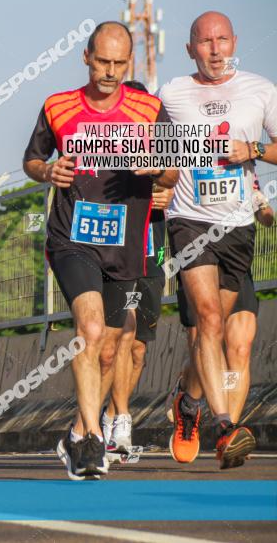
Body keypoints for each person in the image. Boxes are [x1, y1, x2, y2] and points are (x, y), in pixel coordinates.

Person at [22, 22, 178, 479]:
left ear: (128, 62)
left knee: (111, 351)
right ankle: (91, 440)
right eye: (103, 61)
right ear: (86, 57)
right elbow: (31, 159)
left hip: (126, 243)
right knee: (89, 328)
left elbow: (171, 174)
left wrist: (153, 168)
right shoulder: (58, 106)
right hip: (72, 236)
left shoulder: (150, 110)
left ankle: (73, 435)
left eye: (119, 63)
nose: (110, 72)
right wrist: (48, 172)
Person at [159, 11, 277, 469]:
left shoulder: (261, 90)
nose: (214, 48)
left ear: (234, 42)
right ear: (190, 48)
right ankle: (225, 427)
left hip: (237, 225)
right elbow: (148, 143)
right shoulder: (170, 93)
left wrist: (252, 150)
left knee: (219, 331)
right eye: (204, 41)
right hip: (187, 218)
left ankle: (188, 403)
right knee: (208, 320)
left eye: (222, 39)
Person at [168, 174, 275, 461]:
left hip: (234, 253)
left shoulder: (236, 156)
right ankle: (188, 405)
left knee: (240, 346)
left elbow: (263, 210)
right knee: (203, 340)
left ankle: (230, 434)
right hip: (195, 248)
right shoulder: (183, 138)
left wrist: (263, 207)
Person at [100, 81, 172, 458]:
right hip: (115, 256)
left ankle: (112, 415)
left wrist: (166, 190)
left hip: (151, 255)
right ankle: (115, 422)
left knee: (140, 348)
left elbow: (178, 182)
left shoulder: (160, 145)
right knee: (117, 339)